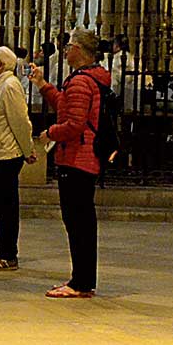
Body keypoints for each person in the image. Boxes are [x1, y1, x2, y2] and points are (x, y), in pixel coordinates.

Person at [37, 30, 110, 297]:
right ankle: (82, 280)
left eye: (68, 46)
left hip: (77, 159)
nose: (65, 51)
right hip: (83, 158)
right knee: (82, 223)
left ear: (79, 49)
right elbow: (66, 106)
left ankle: (80, 283)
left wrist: (50, 133)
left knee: (78, 222)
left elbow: (75, 124)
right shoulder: (89, 79)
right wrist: (44, 86)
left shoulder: (81, 81)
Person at [0, 47, 38, 271]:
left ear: (1, 65)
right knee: (1, 206)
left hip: (7, 155)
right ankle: (3, 250)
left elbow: (20, 122)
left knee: (7, 207)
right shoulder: (0, 86)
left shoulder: (10, 86)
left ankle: (7, 254)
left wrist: (28, 150)